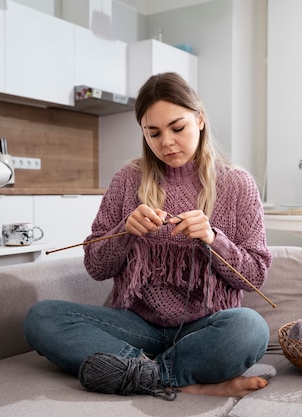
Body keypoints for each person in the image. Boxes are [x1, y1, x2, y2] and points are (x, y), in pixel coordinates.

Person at [23, 72, 273, 400]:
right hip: (136, 326)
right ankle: (172, 375)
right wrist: (124, 231)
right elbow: (96, 267)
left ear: (199, 119)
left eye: (177, 128)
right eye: (153, 133)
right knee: (41, 318)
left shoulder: (237, 184)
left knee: (250, 328)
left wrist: (214, 239)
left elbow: (255, 277)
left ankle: (142, 373)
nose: (166, 142)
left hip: (205, 328)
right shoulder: (128, 180)